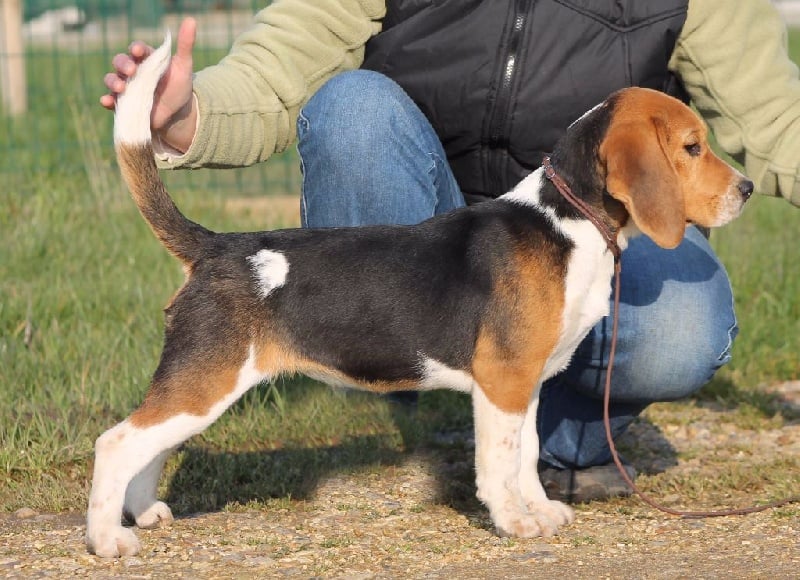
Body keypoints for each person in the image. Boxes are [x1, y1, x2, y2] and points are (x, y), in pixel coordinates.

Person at [102, 0, 800, 502]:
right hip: (426, 234)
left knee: (681, 320)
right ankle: (418, 371)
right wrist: (190, 116)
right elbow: (280, 63)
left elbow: (775, 116)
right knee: (354, 110)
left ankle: (566, 435)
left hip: (588, 224)